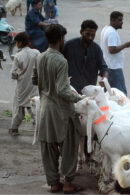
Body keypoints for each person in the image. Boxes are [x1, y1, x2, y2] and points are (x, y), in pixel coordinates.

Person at [32, 24, 84, 194]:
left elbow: (35, 79)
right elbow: (63, 90)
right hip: (61, 111)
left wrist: (48, 82)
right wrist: (80, 98)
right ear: (61, 39)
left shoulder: (40, 57)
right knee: (69, 147)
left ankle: (54, 183)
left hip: (45, 109)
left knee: (48, 147)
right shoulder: (61, 60)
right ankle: (68, 184)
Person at [63, 20, 108, 94]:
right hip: (71, 90)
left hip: (89, 91)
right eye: (87, 34)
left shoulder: (96, 49)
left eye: (93, 35)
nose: (90, 38)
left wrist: (105, 78)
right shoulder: (69, 45)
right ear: (81, 32)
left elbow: (104, 67)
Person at [9, 32, 39, 136]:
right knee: (33, 107)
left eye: (17, 42)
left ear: (20, 43)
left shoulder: (18, 56)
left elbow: (13, 73)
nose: (16, 44)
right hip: (35, 85)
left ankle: (14, 128)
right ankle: (39, 127)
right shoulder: (36, 53)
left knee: (19, 108)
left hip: (22, 86)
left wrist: (17, 75)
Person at [100, 11, 130, 95]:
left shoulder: (106, 29)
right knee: (121, 95)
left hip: (108, 67)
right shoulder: (112, 32)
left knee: (108, 94)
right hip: (113, 68)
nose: (122, 22)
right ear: (113, 20)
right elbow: (112, 50)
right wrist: (125, 45)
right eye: (120, 20)